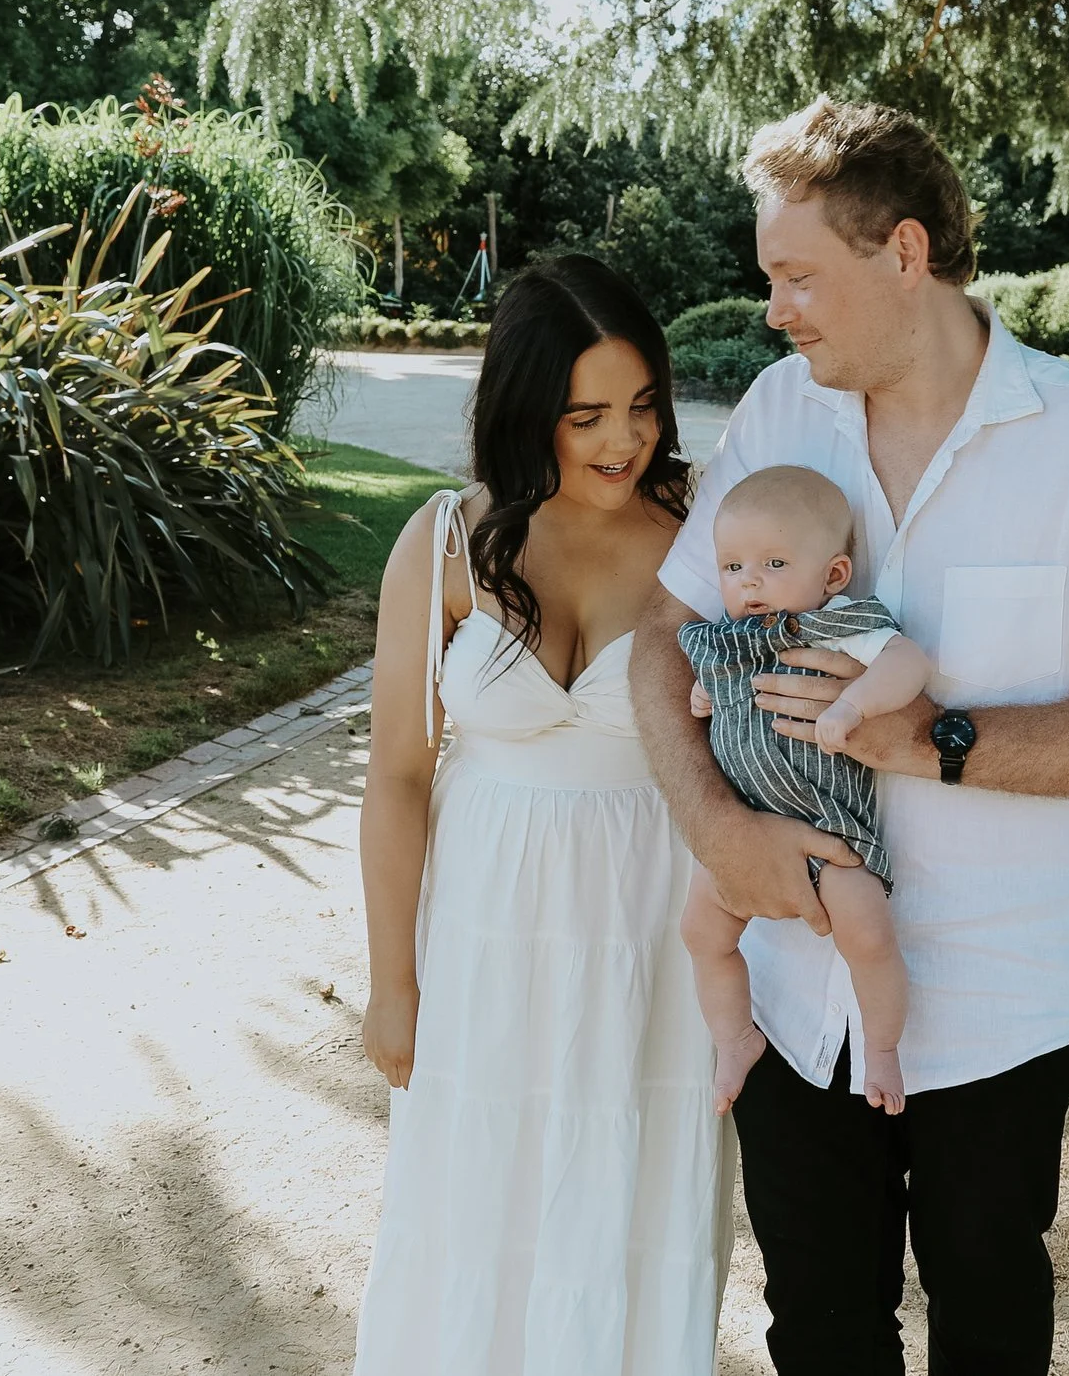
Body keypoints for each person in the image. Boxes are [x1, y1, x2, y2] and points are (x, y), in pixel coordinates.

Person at [631, 97, 1069, 1375]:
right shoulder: (778, 411)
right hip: (793, 984)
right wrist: (715, 829)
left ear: (904, 251)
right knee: (819, 1336)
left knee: (988, 1334)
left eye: (798, 275)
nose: (774, 310)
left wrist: (933, 739)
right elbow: (661, 635)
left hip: (1001, 999)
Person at [351, 255, 725, 1375]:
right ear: (527, 411)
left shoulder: (706, 529)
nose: (626, 440)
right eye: (586, 415)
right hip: (483, 938)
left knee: (631, 1205)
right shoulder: (443, 542)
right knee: (474, 1209)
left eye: (643, 405)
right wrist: (391, 982)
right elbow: (399, 774)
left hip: (651, 936)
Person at [676, 464, 935, 1116]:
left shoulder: (837, 623)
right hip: (743, 829)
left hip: (832, 830)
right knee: (701, 933)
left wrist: (854, 703)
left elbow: (907, 660)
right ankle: (735, 1037)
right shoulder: (723, 638)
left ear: (834, 575)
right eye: (733, 566)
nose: (749, 581)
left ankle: (882, 1049)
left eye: (773, 563)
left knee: (868, 937)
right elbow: (711, 687)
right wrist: (705, 694)